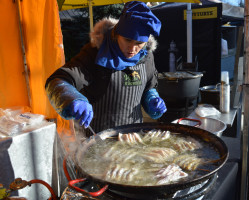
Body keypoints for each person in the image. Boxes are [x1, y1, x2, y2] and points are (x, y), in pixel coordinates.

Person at [45, 1, 167, 138]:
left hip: (133, 138)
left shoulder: (147, 56)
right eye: (127, 40)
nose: (133, 49)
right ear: (116, 34)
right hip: (97, 138)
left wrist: (152, 99)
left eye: (139, 43)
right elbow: (57, 80)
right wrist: (72, 97)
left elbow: (148, 86)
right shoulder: (95, 53)